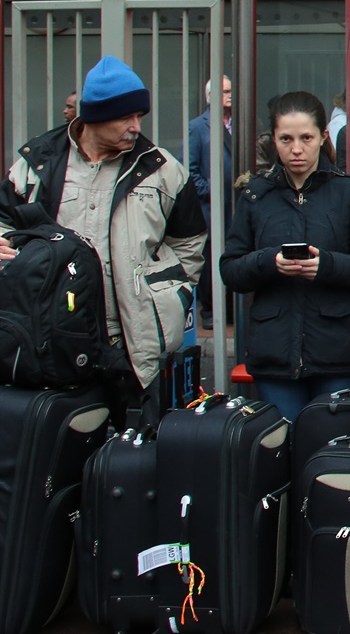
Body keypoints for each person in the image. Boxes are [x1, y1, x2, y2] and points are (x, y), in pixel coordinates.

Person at [0, 56, 205, 413]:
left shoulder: (162, 169)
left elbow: (189, 244)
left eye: (140, 116)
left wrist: (174, 295)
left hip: (133, 343)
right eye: (126, 117)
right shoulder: (38, 164)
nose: (136, 127)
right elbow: (4, 220)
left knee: (134, 458)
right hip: (53, 341)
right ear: (95, 117)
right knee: (59, 452)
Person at [219, 91, 350, 421]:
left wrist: (326, 265)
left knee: (329, 448)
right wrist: (270, 262)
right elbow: (231, 270)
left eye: (306, 138)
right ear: (274, 139)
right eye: (286, 139)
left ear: (323, 136)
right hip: (274, 354)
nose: (296, 149)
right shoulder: (255, 195)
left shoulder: (349, 192)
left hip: (336, 350)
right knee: (285, 447)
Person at [188, 75, 235, 330]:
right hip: (212, 207)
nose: (229, 95)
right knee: (210, 258)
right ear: (209, 97)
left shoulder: (241, 123)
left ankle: (230, 308)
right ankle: (209, 308)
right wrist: (212, 190)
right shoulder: (197, 127)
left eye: (230, 90)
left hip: (235, 206)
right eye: (223, 91)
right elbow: (190, 171)